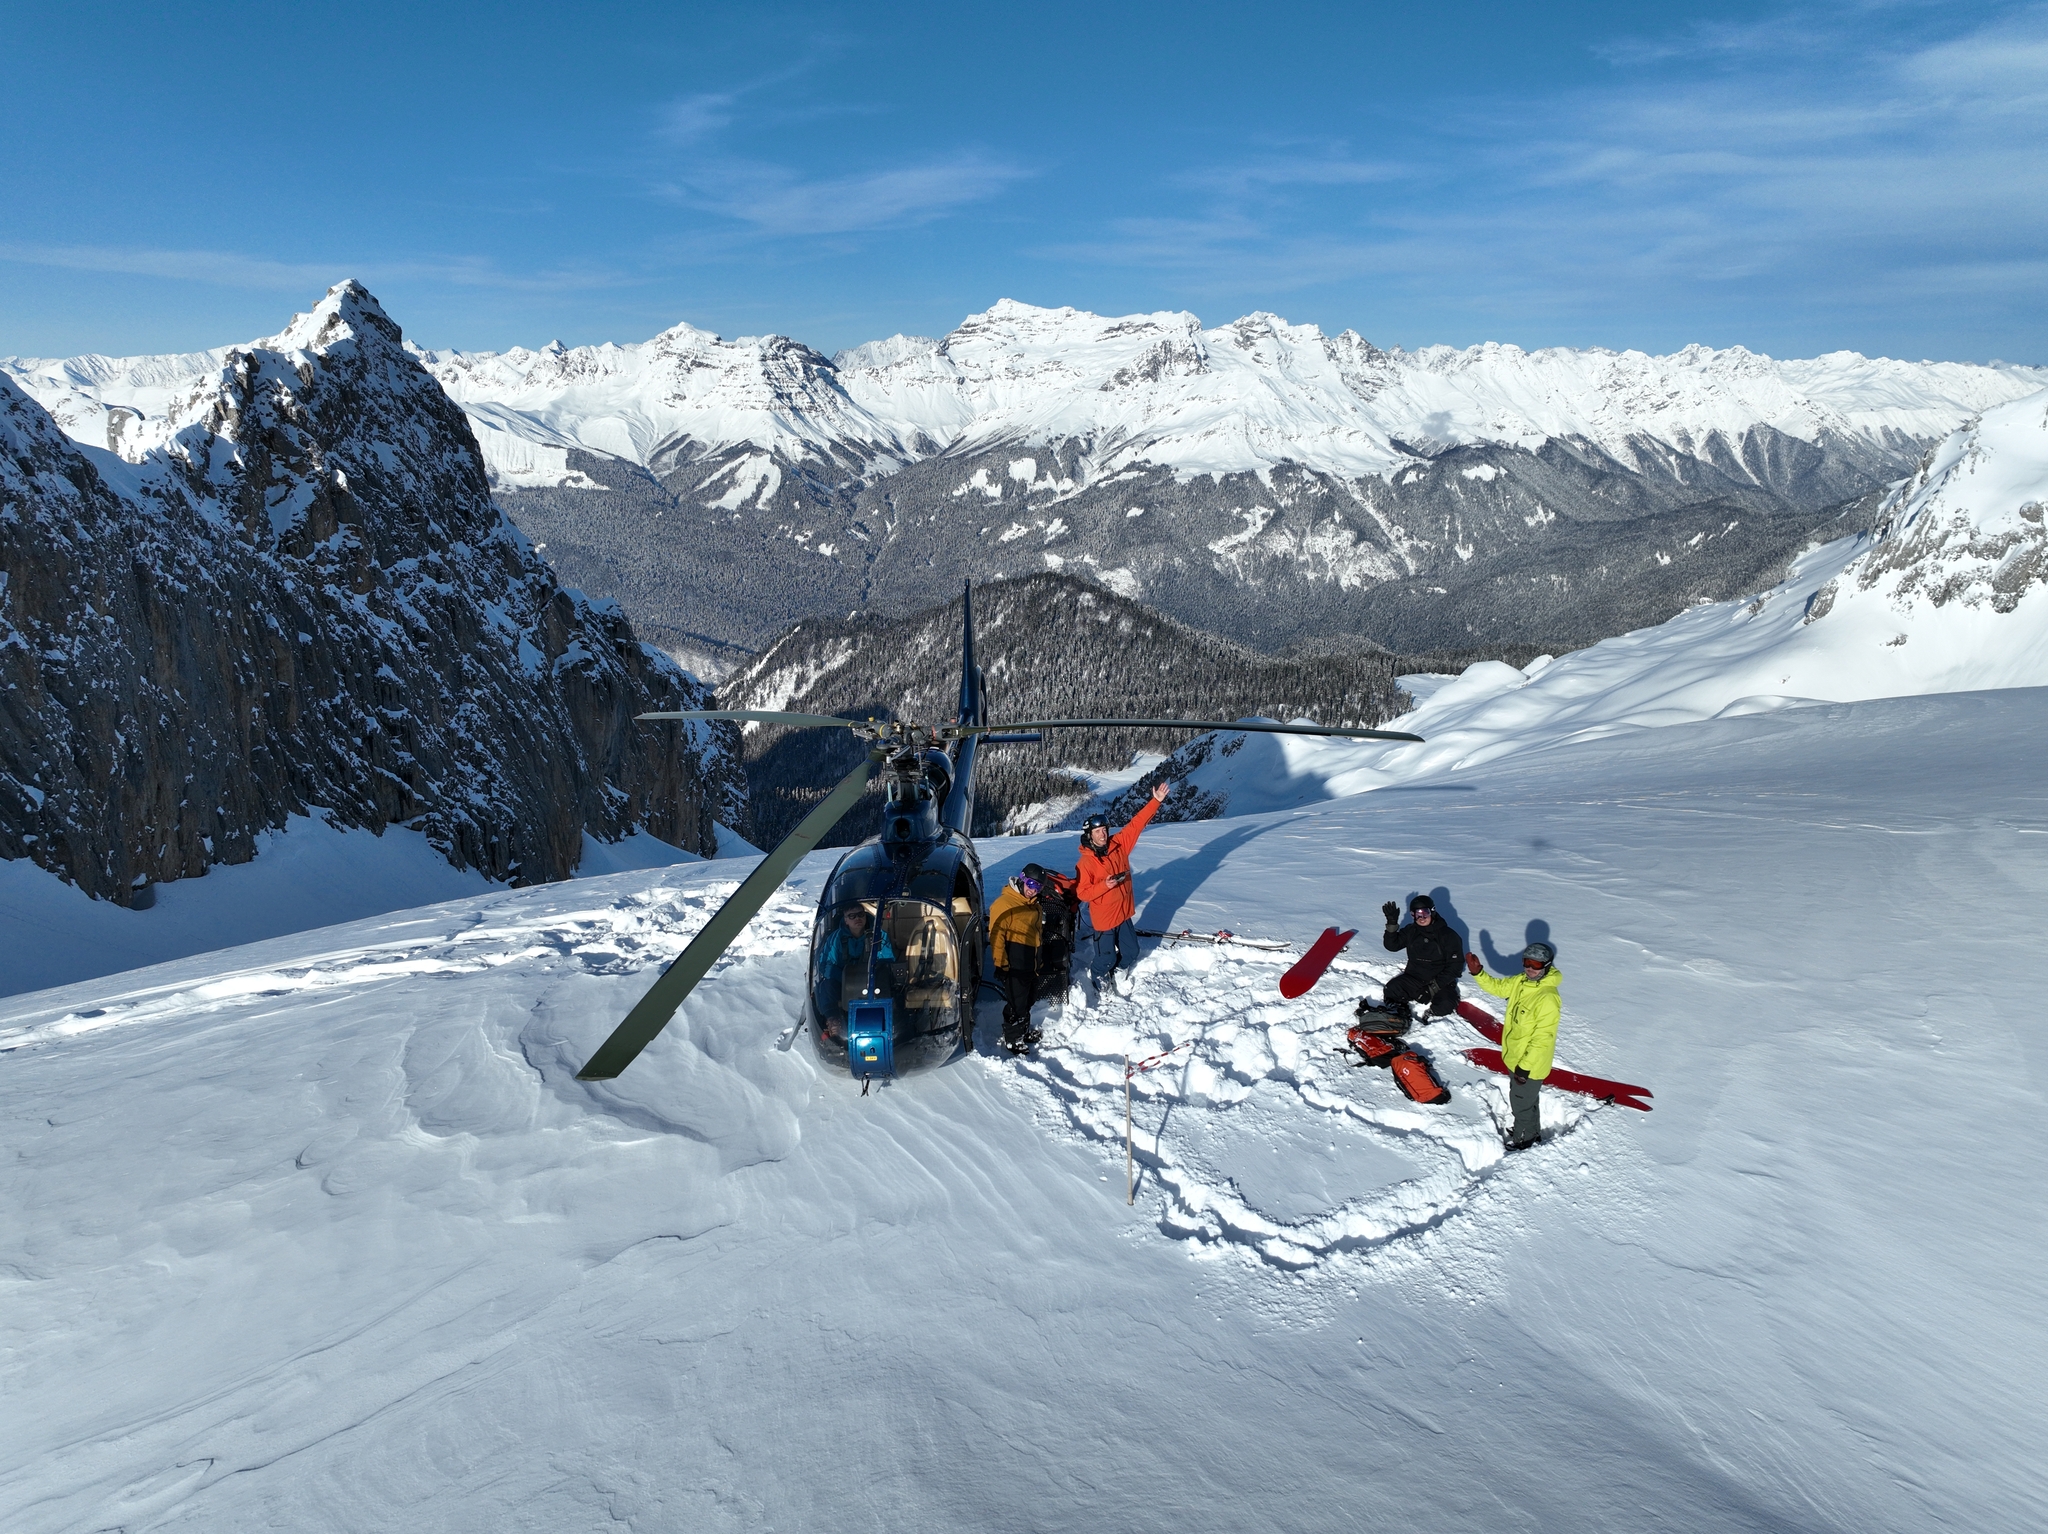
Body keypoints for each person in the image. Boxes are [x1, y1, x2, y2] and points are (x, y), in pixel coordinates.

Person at [1075, 779, 1172, 997]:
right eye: (1097, 831)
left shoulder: (1119, 846)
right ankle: (1099, 974)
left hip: (1123, 914)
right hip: (1104, 920)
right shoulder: (1086, 863)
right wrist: (1104, 885)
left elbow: (1136, 825)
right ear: (1089, 836)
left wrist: (1155, 802)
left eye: (1104, 829)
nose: (1103, 834)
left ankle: (1118, 970)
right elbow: (1082, 893)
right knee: (1105, 957)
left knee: (1132, 951)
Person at [1466, 942, 1559, 1150]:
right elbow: (1499, 988)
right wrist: (1478, 972)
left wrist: (1525, 1067)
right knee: (1527, 1101)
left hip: (1529, 1065)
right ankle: (1530, 1131)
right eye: (1527, 962)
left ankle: (1523, 1140)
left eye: (1535, 964)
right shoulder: (1521, 981)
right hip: (1515, 1058)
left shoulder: (1547, 998)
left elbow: (1543, 1038)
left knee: (1521, 1104)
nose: (1530, 968)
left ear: (1546, 966)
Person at [1377, 894, 1466, 1023]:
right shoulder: (1411, 931)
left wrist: (1432, 989)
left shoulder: (1448, 935)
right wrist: (1392, 924)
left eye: (1425, 912)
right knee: (1391, 989)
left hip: (1440, 981)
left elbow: (1455, 967)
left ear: (1432, 911)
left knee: (1445, 1005)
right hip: (1415, 978)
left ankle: (1431, 1016)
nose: (1421, 918)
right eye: (1416, 914)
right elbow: (1392, 946)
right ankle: (1400, 1014)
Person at [988, 871, 1047, 1053]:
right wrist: (1001, 964)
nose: (1033, 890)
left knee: (1028, 999)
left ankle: (1023, 1031)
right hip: (1014, 962)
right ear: (1021, 880)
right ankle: (1013, 1039)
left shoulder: (1034, 905)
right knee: (1017, 1003)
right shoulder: (1004, 904)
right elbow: (996, 936)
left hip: (1030, 961)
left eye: (1038, 886)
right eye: (1030, 883)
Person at [813, 904, 894, 1036]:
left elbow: (887, 960)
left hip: (873, 981)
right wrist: (846, 978)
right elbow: (826, 964)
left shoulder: (879, 935)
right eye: (852, 916)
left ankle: (889, 1023)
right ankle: (833, 1020)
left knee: (891, 986)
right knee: (825, 986)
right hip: (842, 982)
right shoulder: (836, 939)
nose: (857, 918)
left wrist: (872, 974)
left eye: (860, 914)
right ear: (846, 920)